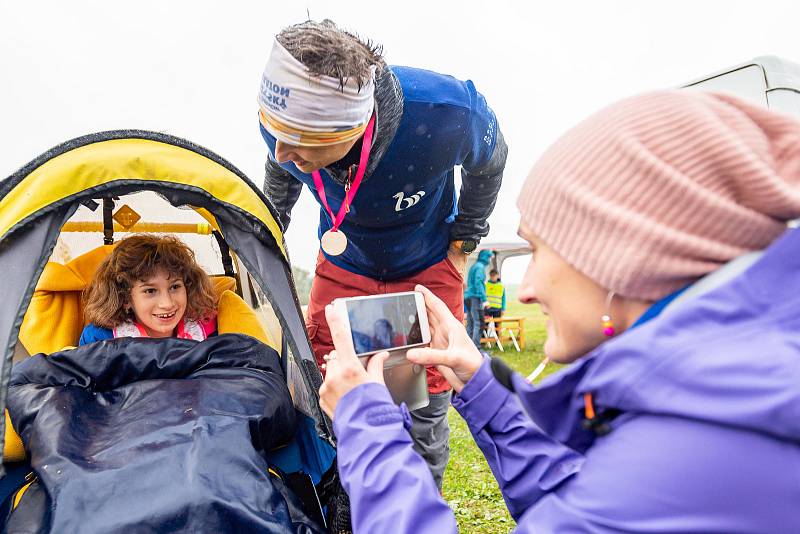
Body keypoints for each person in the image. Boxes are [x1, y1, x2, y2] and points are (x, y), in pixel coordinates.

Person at [316, 90, 800, 531]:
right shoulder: (722, 400)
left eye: (540, 251)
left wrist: (367, 423)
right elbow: (580, 494)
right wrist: (483, 389)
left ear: (619, 254)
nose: (526, 289)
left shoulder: (693, 451)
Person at [257, 19, 507, 489]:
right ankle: (348, 501)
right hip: (346, 261)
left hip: (427, 261)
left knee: (426, 391)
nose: (282, 150)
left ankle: (421, 498)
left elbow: (492, 163)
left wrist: (466, 238)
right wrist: (267, 236)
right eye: (275, 132)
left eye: (302, 138)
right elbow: (278, 177)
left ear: (354, 122)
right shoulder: (281, 129)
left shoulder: (447, 111)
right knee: (331, 383)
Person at [80, 234, 217, 345]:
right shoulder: (101, 339)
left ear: (188, 287)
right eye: (150, 291)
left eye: (175, 287)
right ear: (125, 297)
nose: (167, 304)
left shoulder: (208, 327)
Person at [484, 268, 505, 336]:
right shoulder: (486, 285)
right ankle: (484, 341)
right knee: (485, 325)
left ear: (497, 275)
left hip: (498, 309)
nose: (493, 277)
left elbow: (503, 298)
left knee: (498, 325)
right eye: (491, 275)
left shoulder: (501, 286)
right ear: (490, 276)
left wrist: (503, 309)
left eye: (494, 275)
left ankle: (498, 341)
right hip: (487, 309)